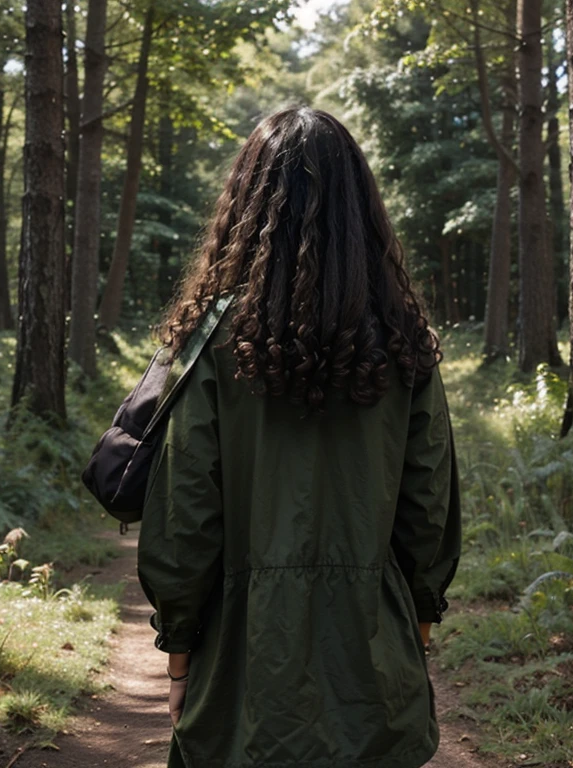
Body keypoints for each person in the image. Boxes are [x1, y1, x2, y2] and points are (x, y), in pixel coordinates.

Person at [137, 106, 462, 768]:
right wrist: (418, 624)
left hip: (243, 658)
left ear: (247, 208)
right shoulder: (404, 344)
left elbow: (186, 509)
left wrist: (179, 654)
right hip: (370, 655)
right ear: (360, 212)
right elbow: (428, 505)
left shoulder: (215, 342)